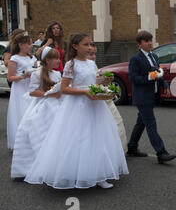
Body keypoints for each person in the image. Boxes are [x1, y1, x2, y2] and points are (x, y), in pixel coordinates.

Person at [25, 33, 128, 189]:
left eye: (91, 44)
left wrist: (103, 81)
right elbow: (65, 88)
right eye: (85, 44)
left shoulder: (91, 63)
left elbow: (92, 81)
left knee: (97, 137)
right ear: (75, 46)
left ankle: (99, 174)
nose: (89, 47)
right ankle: (74, 173)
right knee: (80, 139)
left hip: (95, 104)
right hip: (78, 106)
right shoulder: (71, 64)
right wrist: (85, 92)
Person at [11, 47, 62, 179]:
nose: (58, 61)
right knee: (38, 133)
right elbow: (33, 91)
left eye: (58, 58)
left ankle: (55, 165)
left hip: (56, 104)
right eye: (55, 58)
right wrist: (49, 93)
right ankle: (31, 167)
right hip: (43, 106)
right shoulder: (37, 73)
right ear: (47, 60)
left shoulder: (57, 74)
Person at [126, 30, 176, 163]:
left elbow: (159, 73)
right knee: (151, 125)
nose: (150, 43)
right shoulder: (135, 59)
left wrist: (165, 86)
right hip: (142, 97)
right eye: (146, 41)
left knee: (141, 123)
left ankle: (132, 147)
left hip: (152, 95)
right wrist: (149, 77)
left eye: (150, 40)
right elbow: (133, 78)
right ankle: (161, 153)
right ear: (139, 44)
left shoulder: (154, 56)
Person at [88, 43, 127, 151]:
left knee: (117, 124)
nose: (93, 57)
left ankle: (117, 151)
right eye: (91, 54)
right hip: (93, 97)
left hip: (102, 95)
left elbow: (97, 80)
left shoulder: (92, 65)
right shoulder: (81, 66)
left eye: (94, 54)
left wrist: (105, 80)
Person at [6, 33, 37, 150]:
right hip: (20, 88)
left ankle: (32, 139)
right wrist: (23, 76)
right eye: (28, 43)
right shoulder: (14, 58)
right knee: (22, 112)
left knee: (32, 113)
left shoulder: (32, 58)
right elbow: (10, 77)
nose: (31, 46)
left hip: (31, 87)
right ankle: (20, 141)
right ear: (20, 45)